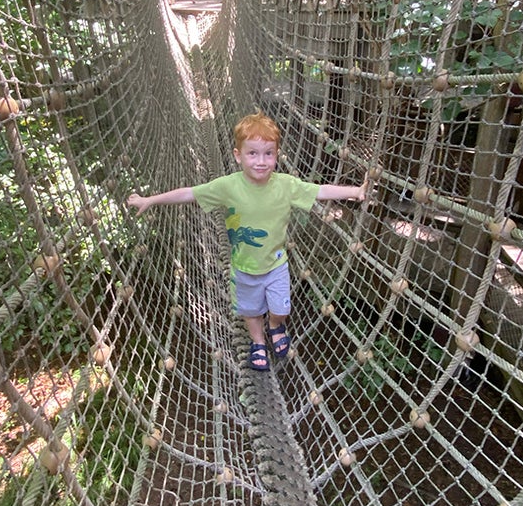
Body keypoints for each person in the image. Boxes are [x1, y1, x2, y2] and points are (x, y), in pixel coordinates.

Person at [126, 111, 365, 371]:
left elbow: (320, 190)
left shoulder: (285, 185)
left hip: (276, 265)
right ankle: (258, 342)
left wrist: (355, 192)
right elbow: (189, 193)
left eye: (268, 153)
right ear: (238, 155)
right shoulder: (228, 186)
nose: (261, 161)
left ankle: (275, 326)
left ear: (276, 154)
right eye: (252, 153)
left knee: (281, 309)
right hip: (243, 268)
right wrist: (150, 200)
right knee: (251, 312)